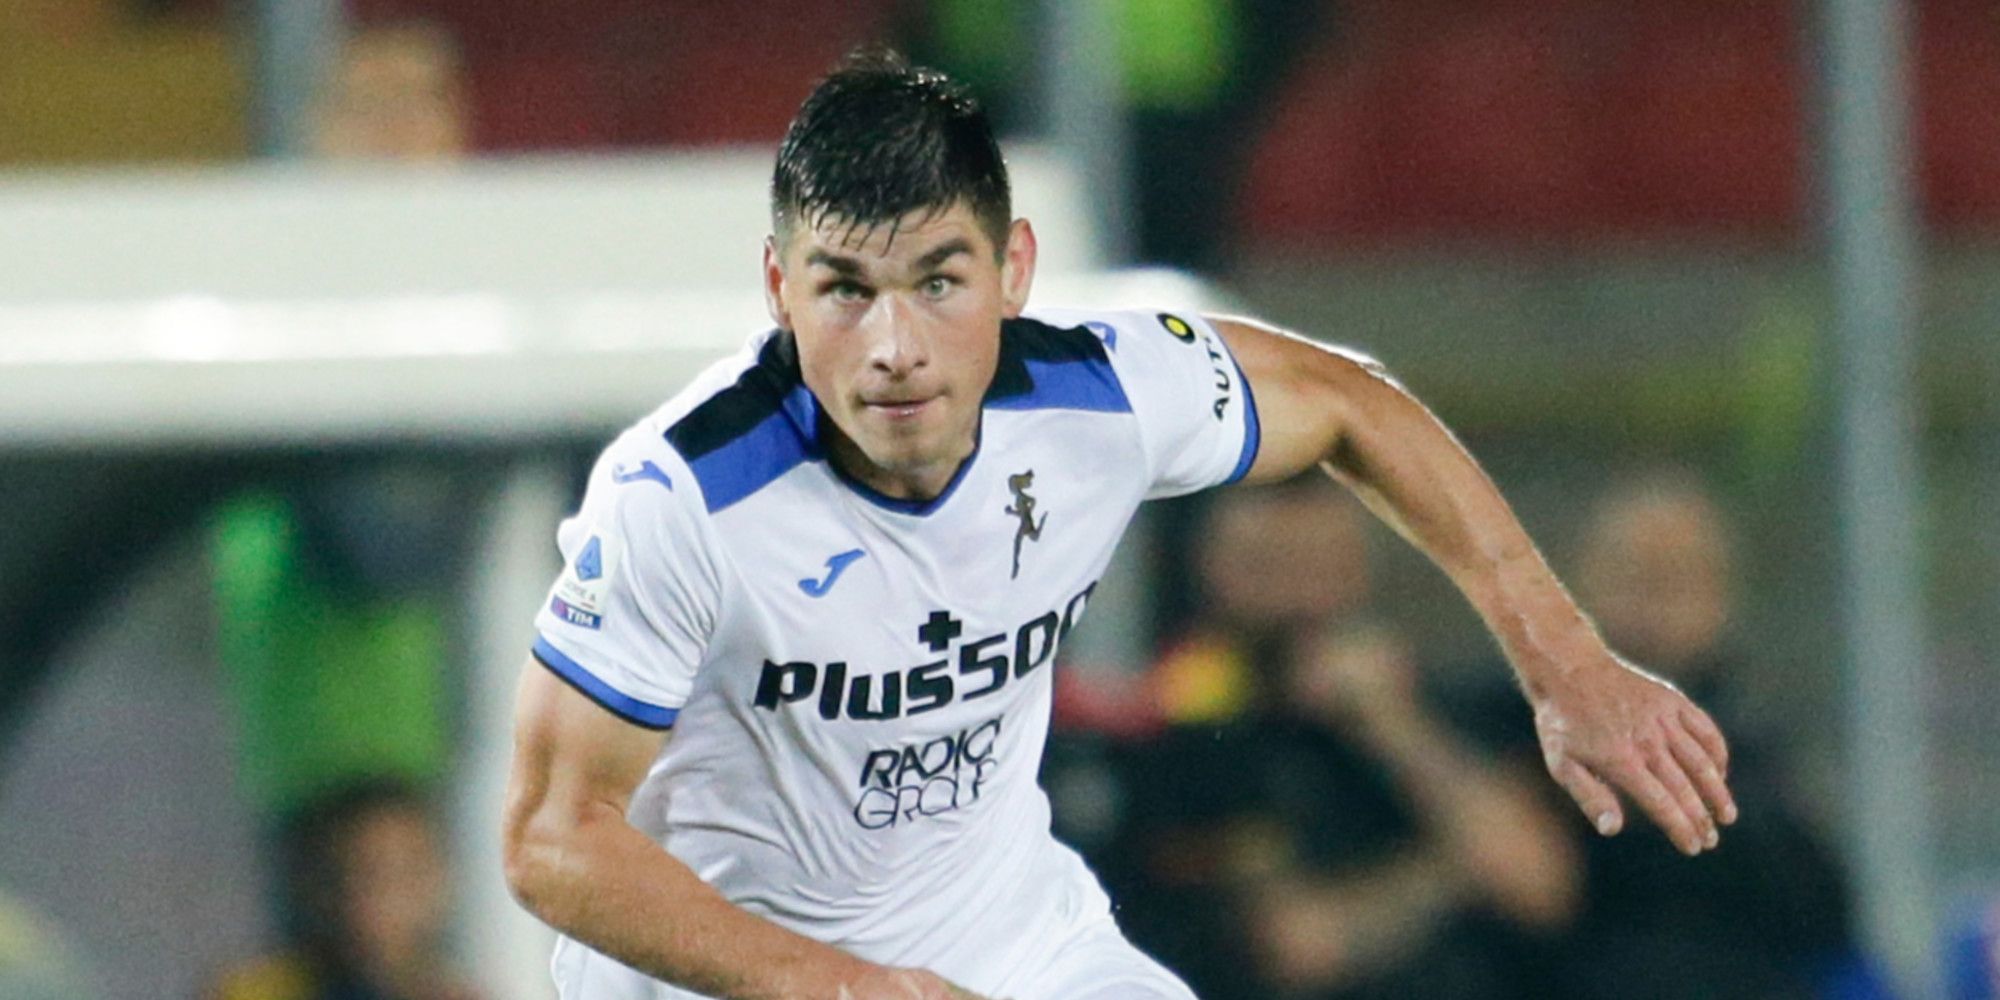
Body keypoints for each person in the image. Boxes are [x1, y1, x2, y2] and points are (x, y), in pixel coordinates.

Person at [499, 49, 1738, 1000]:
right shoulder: (683, 499)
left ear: (1014, 271)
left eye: (938, 281)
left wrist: (1563, 661)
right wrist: (844, 987)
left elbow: (1351, 405)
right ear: (780, 288)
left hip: (1013, 950)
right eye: (844, 290)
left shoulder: (1098, 396)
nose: (894, 346)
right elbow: (554, 841)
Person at [1075, 484, 1577, 1000]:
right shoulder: (1177, 733)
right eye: (1270, 569)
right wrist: (1457, 862)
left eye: (1323, 569)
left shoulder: (1432, 708)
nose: (1301, 601)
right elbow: (1303, 947)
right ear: (1211, 570)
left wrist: (1394, 726)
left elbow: (1537, 882)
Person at [208, 780, 481, 1000]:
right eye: (366, 874)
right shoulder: (258, 991)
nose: (387, 897)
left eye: (407, 873)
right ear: (322, 889)